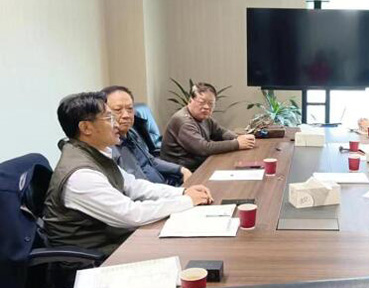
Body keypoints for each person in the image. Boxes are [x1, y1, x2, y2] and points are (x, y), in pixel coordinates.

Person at [43, 92, 213, 257]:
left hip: (114, 239)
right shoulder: (81, 176)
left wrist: (181, 192)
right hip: (96, 258)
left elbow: (133, 186)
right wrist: (187, 201)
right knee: (185, 250)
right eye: (109, 118)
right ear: (86, 128)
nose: (117, 124)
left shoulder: (96, 153)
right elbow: (131, 215)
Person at [103, 85, 192, 186]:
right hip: (152, 193)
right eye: (118, 110)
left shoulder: (132, 133)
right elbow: (133, 188)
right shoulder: (107, 148)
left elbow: (151, 161)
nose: (126, 115)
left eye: (130, 109)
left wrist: (181, 169)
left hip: (164, 185)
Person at [161, 82, 256, 171]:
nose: (206, 107)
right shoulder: (183, 121)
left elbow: (221, 132)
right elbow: (203, 148)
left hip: (201, 165)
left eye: (211, 103)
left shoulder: (203, 117)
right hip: (184, 172)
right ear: (190, 101)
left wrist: (238, 138)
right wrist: (237, 144)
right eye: (201, 102)